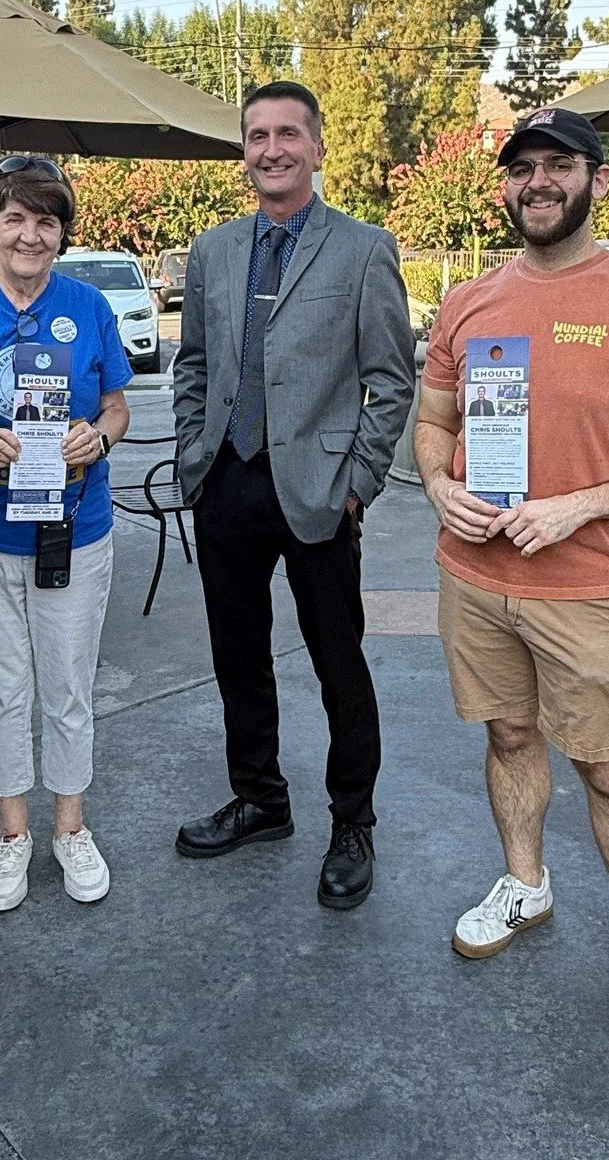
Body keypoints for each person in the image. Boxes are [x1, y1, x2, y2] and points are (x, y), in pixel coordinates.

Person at [413, 107, 609, 1065]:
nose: (537, 183)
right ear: (503, 186)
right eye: (522, 169)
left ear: (595, 180)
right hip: (475, 574)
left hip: (587, 586)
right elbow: (432, 424)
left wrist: (582, 506)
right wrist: (439, 484)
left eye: (559, 166)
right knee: (508, 736)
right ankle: (525, 882)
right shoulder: (469, 301)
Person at [172, 80, 414, 909]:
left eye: (286, 133)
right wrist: (191, 451)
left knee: (337, 662)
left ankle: (353, 821)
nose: (270, 148)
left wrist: (359, 485)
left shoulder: (362, 249)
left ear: (316, 146)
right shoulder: (213, 251)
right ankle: (262, 800)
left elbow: (391, 378)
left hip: (317, 490)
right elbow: (194, 362)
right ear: (244, 150)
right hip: (226, 482)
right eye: (255, 135)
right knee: (237, 657)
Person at [0, 155, 132, 913]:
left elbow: (117, 407)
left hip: (74, 525)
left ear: (63, 232)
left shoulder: (89, 307)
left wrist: (97, 440)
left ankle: (70, 825)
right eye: (15, 218)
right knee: (2, 690)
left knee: (69, 686)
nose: (30, 235)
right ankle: (13, 833)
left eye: (47, 220)